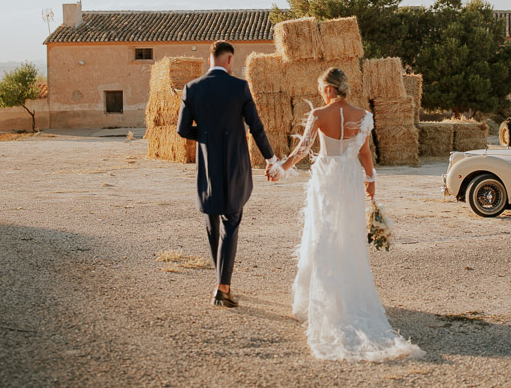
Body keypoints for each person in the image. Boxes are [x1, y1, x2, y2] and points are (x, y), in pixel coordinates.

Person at [269, 67, 423, 362]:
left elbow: (301, 151)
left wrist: (279, 169)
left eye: (321, 88)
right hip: (350, 178)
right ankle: (349, 298)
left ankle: (322, 300)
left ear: (328, 89)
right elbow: (365, 153)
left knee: (322, 233)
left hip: (326, 177)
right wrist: (371, 183)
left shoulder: (318, 116)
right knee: (347, 235)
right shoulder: (363, 116)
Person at [177, 40, 280, 308]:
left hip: (208, 164)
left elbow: (182, 130)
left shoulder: (192, 88)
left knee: (212, 222)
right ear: (230, 60)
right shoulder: (239, 87)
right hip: (235, 163)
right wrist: (271, 158)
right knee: (231, 220)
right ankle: (223, 287)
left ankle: (220, 281)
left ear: (209, 59)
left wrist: (207, 136)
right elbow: (256, 127)